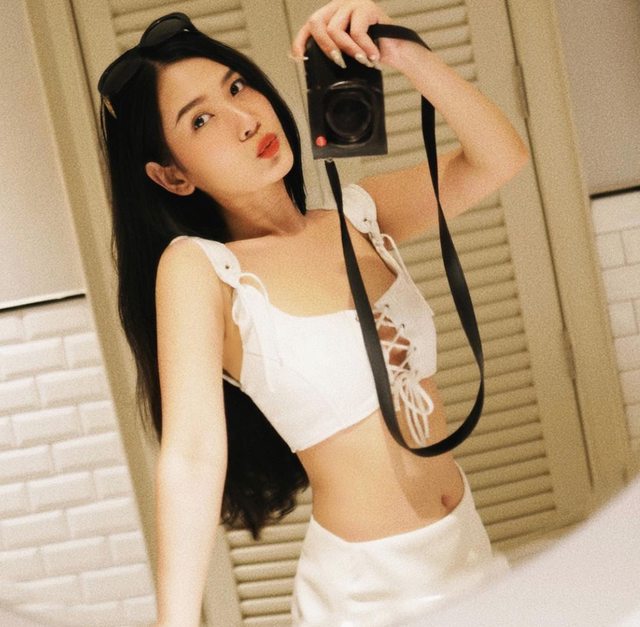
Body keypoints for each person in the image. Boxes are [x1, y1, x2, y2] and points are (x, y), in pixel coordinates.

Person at [97, 1, 529, 625]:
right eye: (201, 119)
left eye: (237, 87)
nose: (245, 119)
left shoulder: (360, 215)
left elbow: (499, 158)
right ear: (172, 177)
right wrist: (176, 621)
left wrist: (401, 51)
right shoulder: (202, 269)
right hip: (367, 595)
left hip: (467, 549)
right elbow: (192, 454)